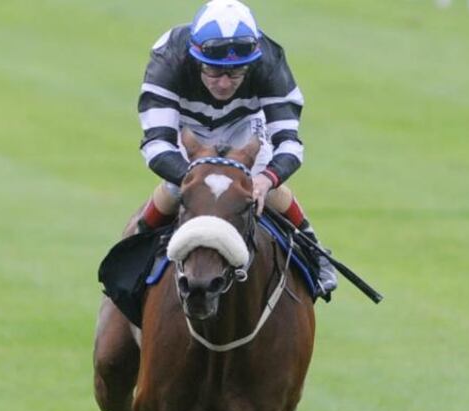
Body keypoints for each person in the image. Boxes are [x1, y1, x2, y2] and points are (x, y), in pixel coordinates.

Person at [137, 0, 337, 297]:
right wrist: (195, 178)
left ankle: (314, 249)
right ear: (195, 58)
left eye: (236, 72)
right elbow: (156, 144)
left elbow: (290, 144)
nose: (224, 83)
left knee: (264, 190)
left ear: (252, 63)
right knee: (176, 187)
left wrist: (266, 178)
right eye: (213, 71)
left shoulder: (269, 59)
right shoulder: (169, 56)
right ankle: (137, 247)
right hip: (188, 124)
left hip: (245, 123)